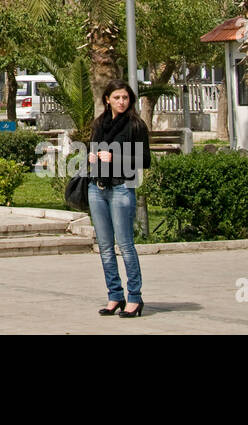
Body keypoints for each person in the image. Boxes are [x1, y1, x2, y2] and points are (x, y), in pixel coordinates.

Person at [87, 80, 152, 318]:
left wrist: (116, 157)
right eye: (117, 98)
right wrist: (92, 158)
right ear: (107, 100)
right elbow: (92, 150)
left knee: (125, 245)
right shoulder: (100, 124)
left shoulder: (135, 125)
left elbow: (145, 159)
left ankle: (134, 297)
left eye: (125, 98)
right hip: (97, 187)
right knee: (104, 247)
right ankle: (115, 295)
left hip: (122, 188)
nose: (121, 102)